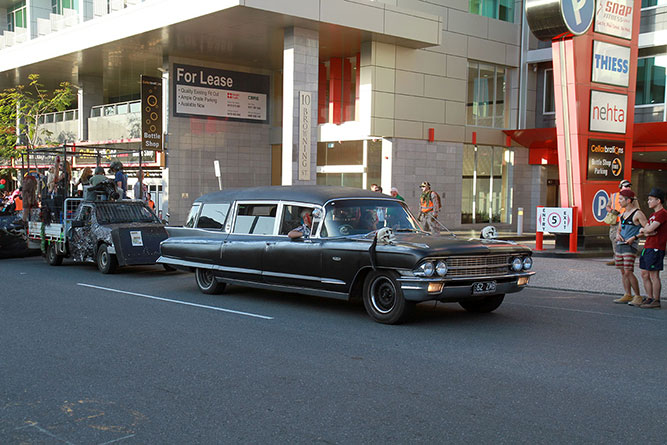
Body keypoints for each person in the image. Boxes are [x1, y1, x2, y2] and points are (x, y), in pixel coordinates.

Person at [612, 189, 648, 305]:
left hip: (630, 246)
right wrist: (618, 235)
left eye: (621, 199)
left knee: (628, 271)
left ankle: (637, 295)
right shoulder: (622, 214)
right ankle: (627, 294)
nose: (619, 201)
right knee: (623, 271)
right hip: (620, 245)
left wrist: (635, 237)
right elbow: (619, 229)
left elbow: (647, 229)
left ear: (628, 200)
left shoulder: (638, 213)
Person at [637, 188, 667, 309]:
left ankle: (656, 299)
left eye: (650, 199)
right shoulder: (653, 215)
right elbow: (648, 231)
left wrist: (646, 230)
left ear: (658, 200)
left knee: (654, 274)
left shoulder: (662, 214)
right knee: (644, 273)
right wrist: (646, 230)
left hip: (656, 247)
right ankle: (649, 297)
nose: (648, 202)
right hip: (648, 246)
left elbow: (649, 229)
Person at [605, 179, 632, 266]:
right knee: (614, 238)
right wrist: (611, 211)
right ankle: (617, 258)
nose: (628, 188)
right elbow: (607, 206)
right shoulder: (614, 196)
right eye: (625, 186)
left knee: (624, 240)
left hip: (626, 222)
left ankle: (623, 258)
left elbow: (636, 209)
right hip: (615, 222)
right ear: (620, 187)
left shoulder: (632, 197)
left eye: (629, 186)